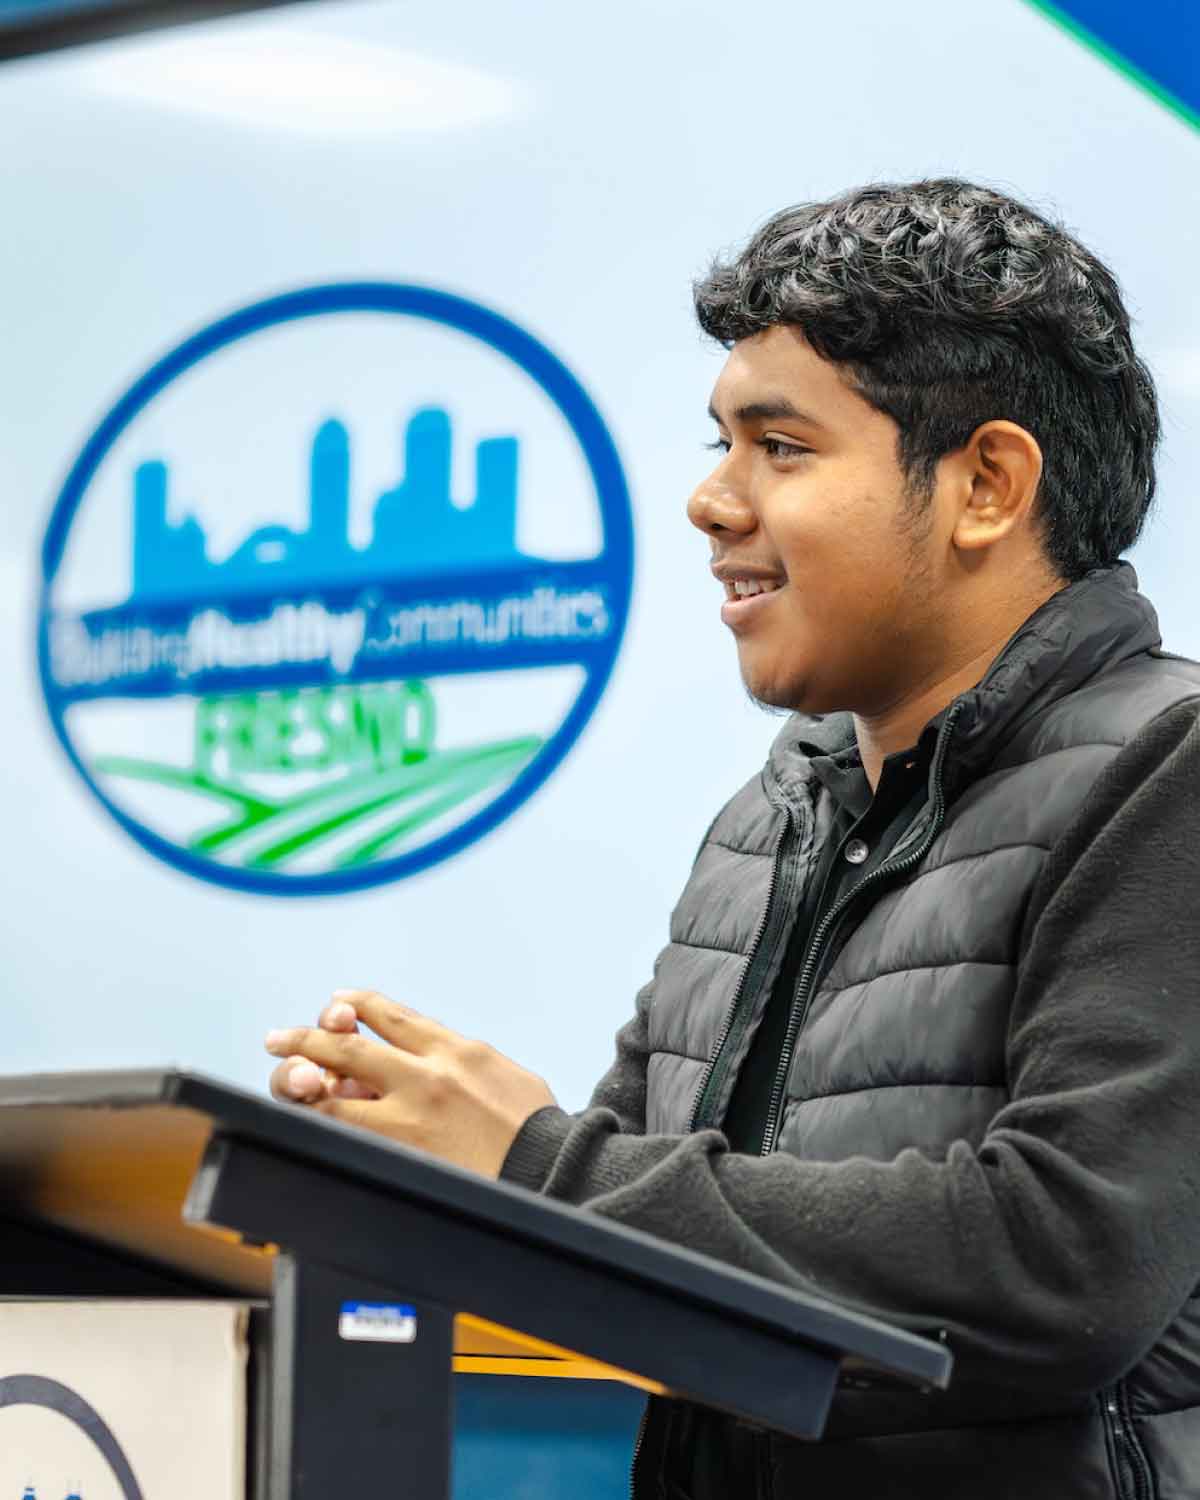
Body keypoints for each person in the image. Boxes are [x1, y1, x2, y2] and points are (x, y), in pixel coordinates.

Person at [264, 178, 1200, 1498]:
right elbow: (620, 1226)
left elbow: (1063, 1260)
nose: (712, 501)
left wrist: (531, 1162)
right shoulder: (774, 812)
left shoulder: (1169, 766)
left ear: (986, 483)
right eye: (720, 444)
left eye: (783, 447)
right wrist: (394, 1176)